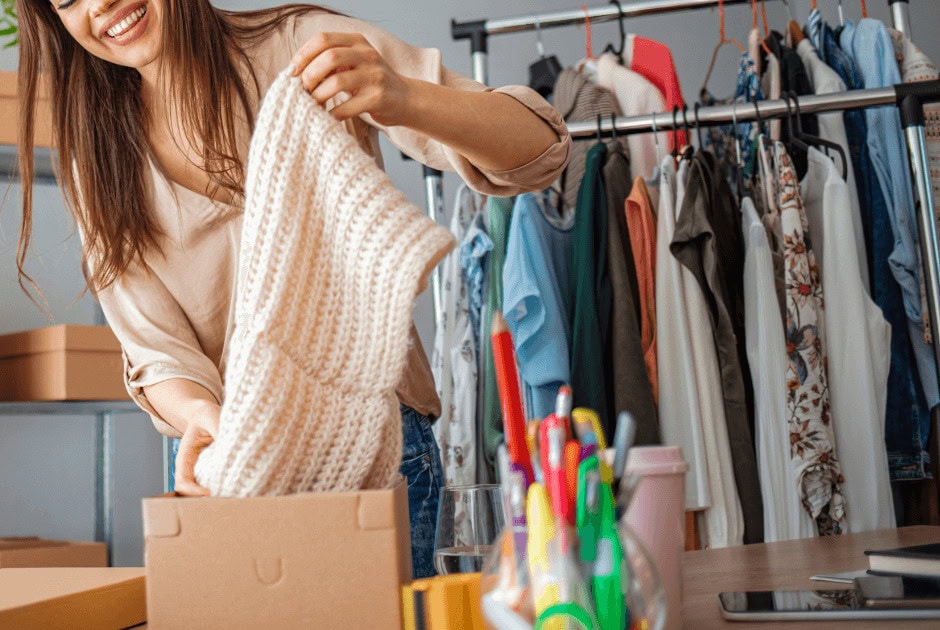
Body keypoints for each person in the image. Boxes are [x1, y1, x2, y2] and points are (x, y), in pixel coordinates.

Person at [16, 0, 571, 578]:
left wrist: (403, 97)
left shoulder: (304, 48)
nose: (100, 4)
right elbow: (155, 350)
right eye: (66, 0)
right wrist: (203, 417)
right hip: (226, 471)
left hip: (377, 447)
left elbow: (542, 152)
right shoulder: (99, 156)